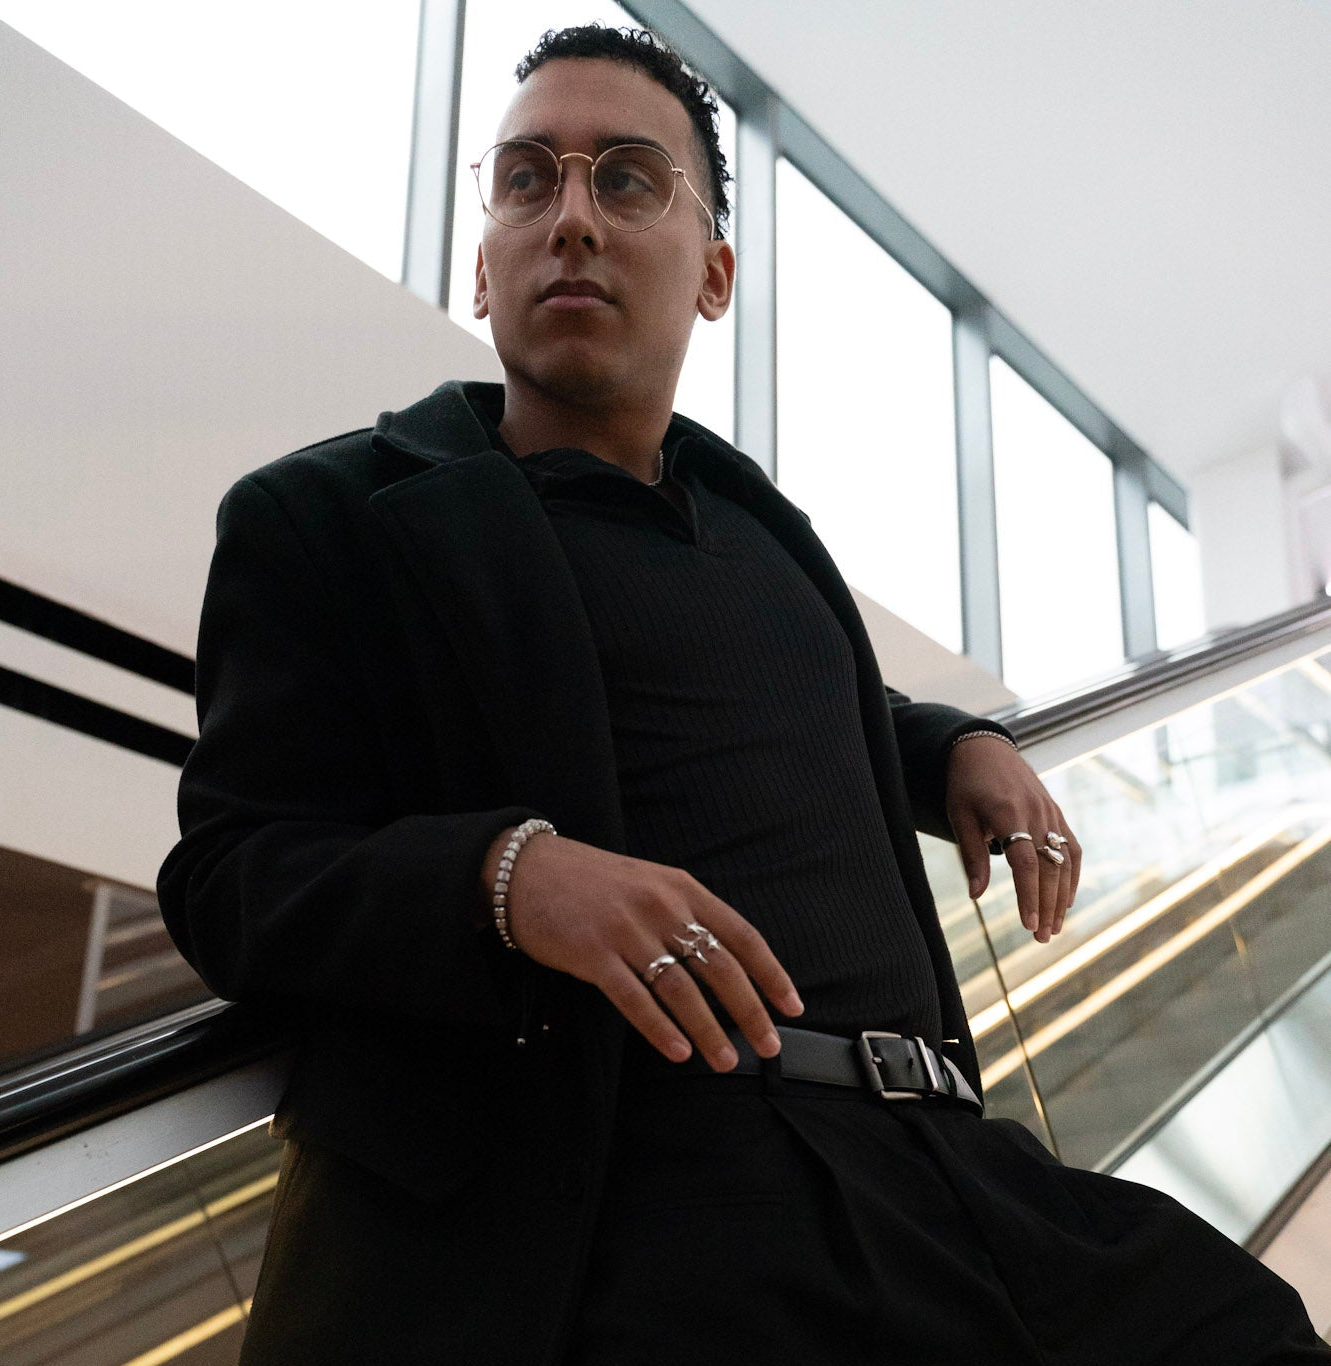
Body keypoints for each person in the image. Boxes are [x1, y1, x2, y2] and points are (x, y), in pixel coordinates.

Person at [157, 23, 1328, 1366]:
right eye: (528, 179)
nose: (573, 217)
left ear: (713, 274)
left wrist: (954, 744)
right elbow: (236, 872)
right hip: (642, 1200)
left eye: (628, 179)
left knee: (1239, 1327)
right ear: (483, 262)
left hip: (944, 1163)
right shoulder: (332, 519)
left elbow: (817, 721)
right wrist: (509, 877)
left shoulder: (763, 534)